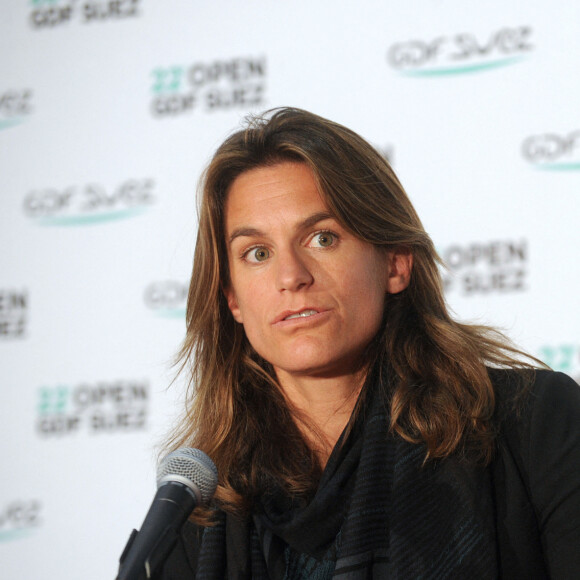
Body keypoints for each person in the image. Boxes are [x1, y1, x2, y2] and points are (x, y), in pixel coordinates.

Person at [161, 107, 580, 579]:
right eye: (257, 253)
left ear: (396, 262)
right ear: (232, 298)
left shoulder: (535, 425)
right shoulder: (200, 512)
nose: (292, 276)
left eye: (322, 238)